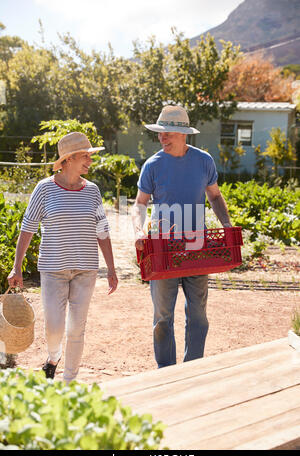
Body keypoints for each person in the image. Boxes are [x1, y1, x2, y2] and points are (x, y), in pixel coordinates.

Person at [7, 132, 118, 383]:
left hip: (85, 270)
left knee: (77, 328)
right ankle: (53, 357)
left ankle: (69, 383)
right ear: (68, 160)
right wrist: (17, 267)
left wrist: (111, 269)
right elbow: (28, 228)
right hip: (53, 269)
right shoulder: (44, 189)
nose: (90, 161)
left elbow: (102, 230)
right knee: (54, 328)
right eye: (85, 156)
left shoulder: (92, 191)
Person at [132, 105, 232, 368]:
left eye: (168, 133)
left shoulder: (203, 161)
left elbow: (215, 195)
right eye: (160, 133)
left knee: (198, 315)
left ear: (183, 134)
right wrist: (139, 229)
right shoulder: (152, 165)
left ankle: (192, 368)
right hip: (162, 250)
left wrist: (227, 223)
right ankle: (166, 372)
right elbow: (140, 204)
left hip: (196, 247)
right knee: (163, 317)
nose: (162, 137)